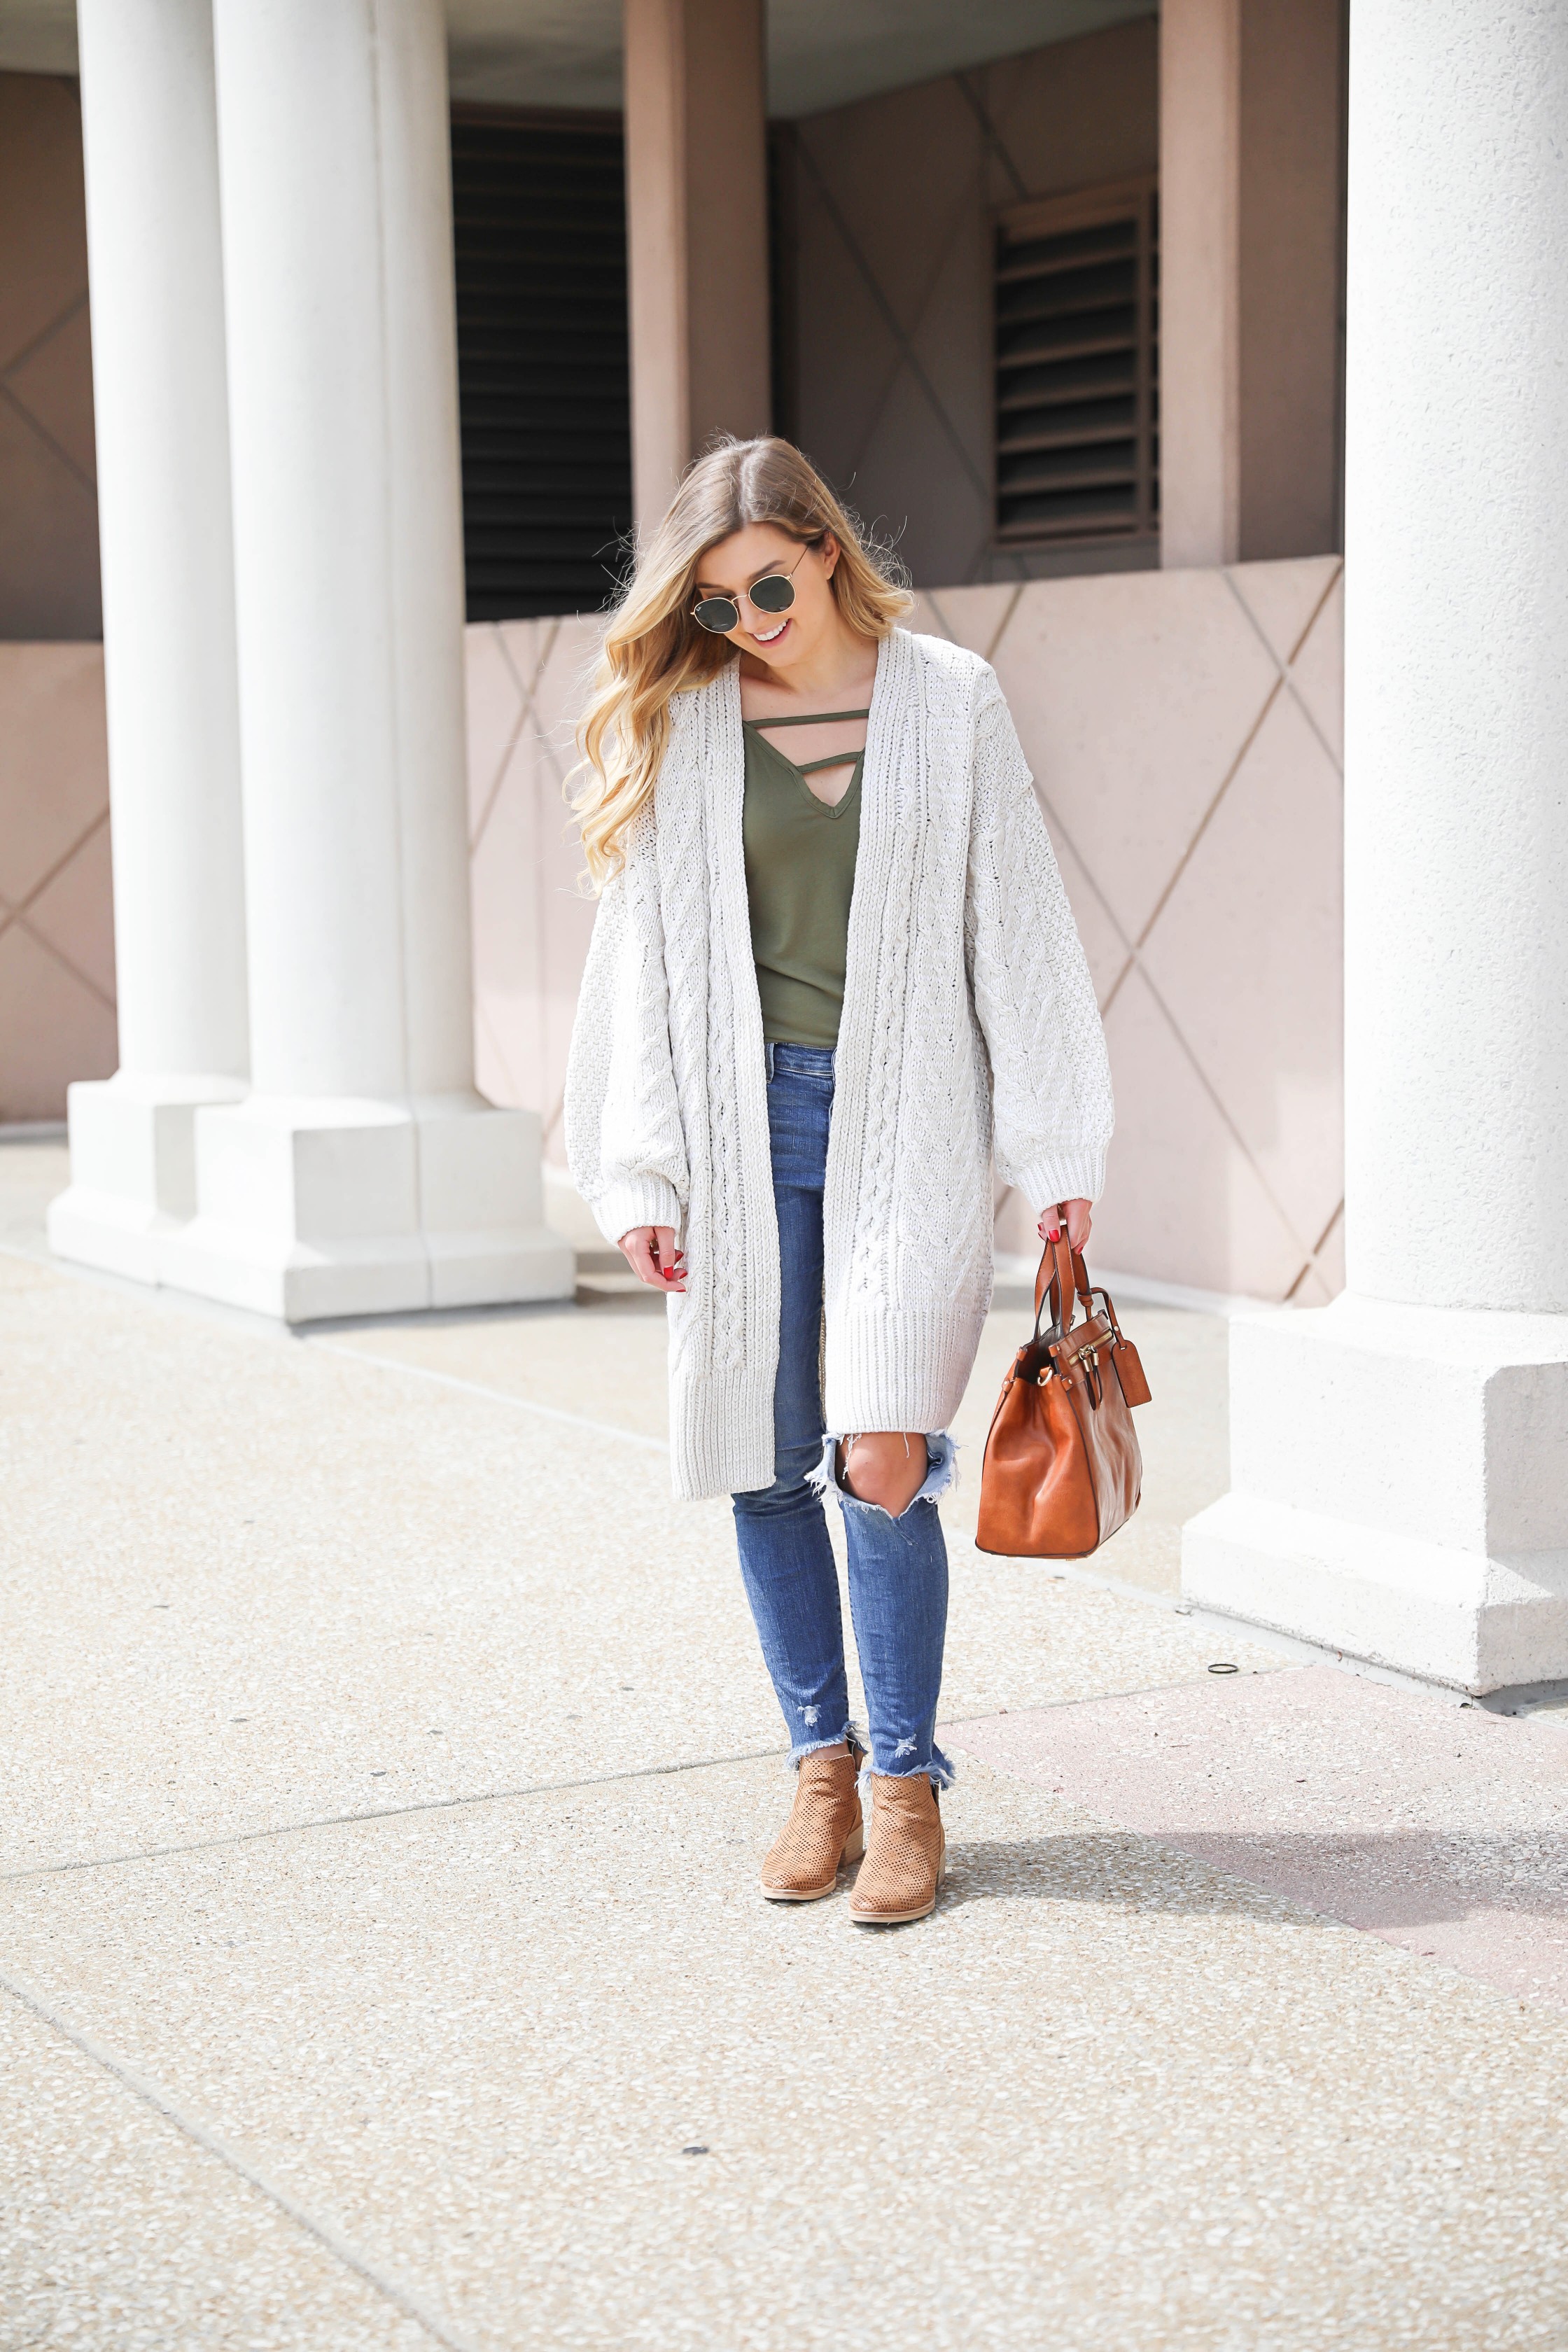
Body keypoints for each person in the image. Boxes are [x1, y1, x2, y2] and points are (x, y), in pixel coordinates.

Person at [565, 438, 1112, 1926]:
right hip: (741, 1138)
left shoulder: (948, 698)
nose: (748, 619)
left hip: (909, 1129)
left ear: (821, 547)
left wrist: (1058, 1152)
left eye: (766, 585)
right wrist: (641, 1171)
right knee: (760, 1451)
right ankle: (820, 1761)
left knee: (879, 1458)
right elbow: (641, 960)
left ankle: (904, 1785)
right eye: (715, 602)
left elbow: (1018, 920)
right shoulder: (685, 719)